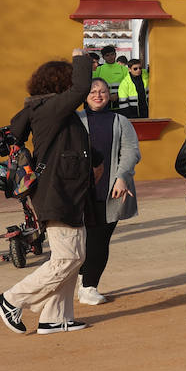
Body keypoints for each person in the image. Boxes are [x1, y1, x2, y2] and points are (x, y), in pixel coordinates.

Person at [0, 50, 95, 335]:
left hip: (65, 191)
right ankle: (10, 299)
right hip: (57, 192)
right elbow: (81, 88)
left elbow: (70, 145)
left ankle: (55, 317)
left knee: (73, 256)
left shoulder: (49, 110)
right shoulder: (49, 108)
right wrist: (81, 58)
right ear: (61, 84)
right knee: (67, 258)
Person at [77, 78, 140, 305]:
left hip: (111, 191)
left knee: (99, 240)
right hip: (79, 193)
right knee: (80, 241)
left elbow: (131, 150)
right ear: (85, 95)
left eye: (103, 91)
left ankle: (89, 287)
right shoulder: (75, 120)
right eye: (93, 91)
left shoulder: (120, 120)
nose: (98, 95)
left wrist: (122, 177)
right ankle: (83, 278)